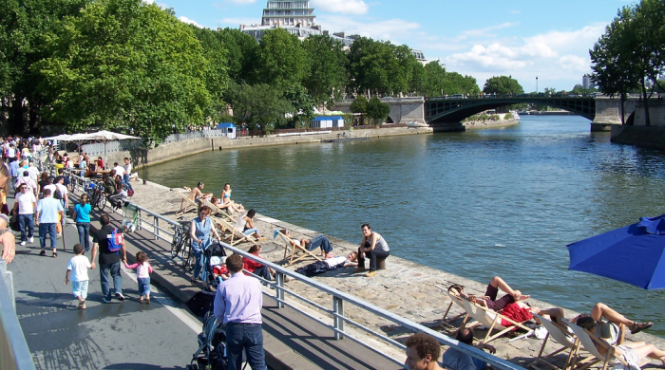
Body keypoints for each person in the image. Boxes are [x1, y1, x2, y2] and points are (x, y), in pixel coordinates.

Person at [213, 254, 268, 370]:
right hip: (254, 325)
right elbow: (259, 304)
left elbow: (218, 311)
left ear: (227, 268)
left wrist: (222, 322)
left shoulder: (223, 286)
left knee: (234, 364)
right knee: (259, 364)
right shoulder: (255, 282)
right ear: (242, 266)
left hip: (234, 327)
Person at [576, 317, 665, 367]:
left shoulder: (584, 336)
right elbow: (618, 352)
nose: (596, 327)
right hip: (622, 357)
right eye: (595, 325)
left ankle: (662, 358)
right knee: (651, 347)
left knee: (642, 344)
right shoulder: (600, 341)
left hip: (610, 354)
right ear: (591, 329)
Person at [91, 214, 126, 303]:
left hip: (104, 259)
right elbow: (122, 244)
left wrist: (92, 261)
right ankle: (118, 290)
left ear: (100, 223)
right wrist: (123, 256)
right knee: (117, 275)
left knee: (105, 278)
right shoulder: (116, 231)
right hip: (115, 257)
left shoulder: (98, 233)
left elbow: (95, 248)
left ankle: (107, 297)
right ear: (109, 221)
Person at [448, 276, 530, 313]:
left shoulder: (463, 297)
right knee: (517, 292)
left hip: (485, 300)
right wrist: (474, 298)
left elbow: (472, 300)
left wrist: (479, 297)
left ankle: (516, 295)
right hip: (491, 306)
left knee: (495, 279)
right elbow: (471, 300)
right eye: (462, 290)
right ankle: (516, 296)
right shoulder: (464, 296)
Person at [190, 206, 220, 285]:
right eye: (202, 214)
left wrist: (217, 236)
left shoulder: (209, 220)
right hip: (198, 243)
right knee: (200, 262)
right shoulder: (195, 221)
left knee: (207, 262)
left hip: (207, 243)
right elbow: (192, 233)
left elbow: (213, 229)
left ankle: (205, 280)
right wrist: (197, 240)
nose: (203, 216)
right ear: (199, 212)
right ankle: (195, 276)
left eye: (205, 214)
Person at [35, 188, 64, 257]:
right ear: (51, 194)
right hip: (53, 220)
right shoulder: (56, 201)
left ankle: (43, 250)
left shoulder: (41, 201)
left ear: (44, 194)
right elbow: (61, 211)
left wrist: (36, 219)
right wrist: (62, 219)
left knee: (42, 236)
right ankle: (54, 251)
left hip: (43, 220)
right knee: (53, 235)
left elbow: (37, 211)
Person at [291, 251, 358, 279]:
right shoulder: (341, 257)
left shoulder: (346, 262)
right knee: (308, 267)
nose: (350, 256)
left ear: (352, 259)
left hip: (326, 266)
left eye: (352, 256)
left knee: (311, 270)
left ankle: (293, 277)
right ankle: (294, 273)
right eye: (350, 254)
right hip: (323, 262)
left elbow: (352, 264)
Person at [65, 243, 92, 309]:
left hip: (76, 278)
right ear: (82, 250)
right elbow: (89, 266)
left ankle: (81, 300)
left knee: (76, 290)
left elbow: (69, 269)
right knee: (84, 291)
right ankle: (83, 303)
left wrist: (66, 277)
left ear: (74, 251)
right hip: (85, 278)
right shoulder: (85, 258)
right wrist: (92, 265)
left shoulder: (73, 259)